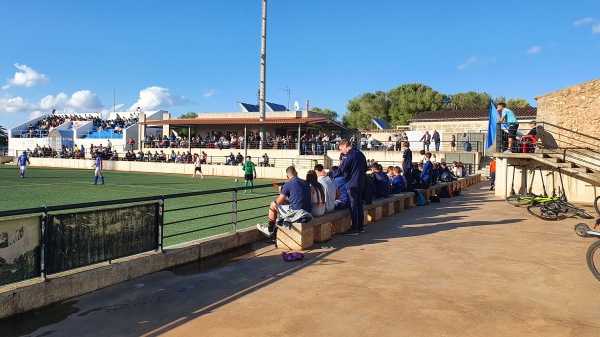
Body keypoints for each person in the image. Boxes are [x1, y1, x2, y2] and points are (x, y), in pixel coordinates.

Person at [256, 166, 312, 238]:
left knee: (272, 204)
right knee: (284, 203)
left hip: (297, 213)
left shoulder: (288, 184)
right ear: (296, 173)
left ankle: (270, 230)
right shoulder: (305, 182)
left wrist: (281, 192)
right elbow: (297, 199)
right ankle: (274, 228)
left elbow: (278, 201)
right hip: (308, 211)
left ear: (287, 176)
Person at [328, 139, 368, 235]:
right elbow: (365, 168)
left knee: (353, 205)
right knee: (359, 204)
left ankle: (354, 228)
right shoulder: (360, 154)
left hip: (352, 184)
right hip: (360, 183)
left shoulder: (349, 155)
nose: (342, 152)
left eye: (341, 149)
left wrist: (329, 174)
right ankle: (360, 226)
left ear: (345, 145)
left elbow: (341, 170)